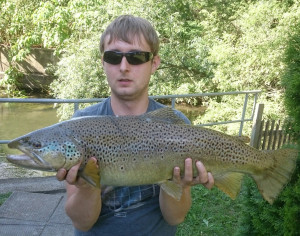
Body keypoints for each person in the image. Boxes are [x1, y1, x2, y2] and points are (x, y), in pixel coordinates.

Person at [56, 15, 214, 236]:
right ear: (103, 62)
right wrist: (86, 186)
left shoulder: (176, 127)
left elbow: (175, 217)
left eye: (136, 57)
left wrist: (181, 184)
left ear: (154, 63)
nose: (123, 67)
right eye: (113, 56)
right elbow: (82, 223)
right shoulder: (79, 127)